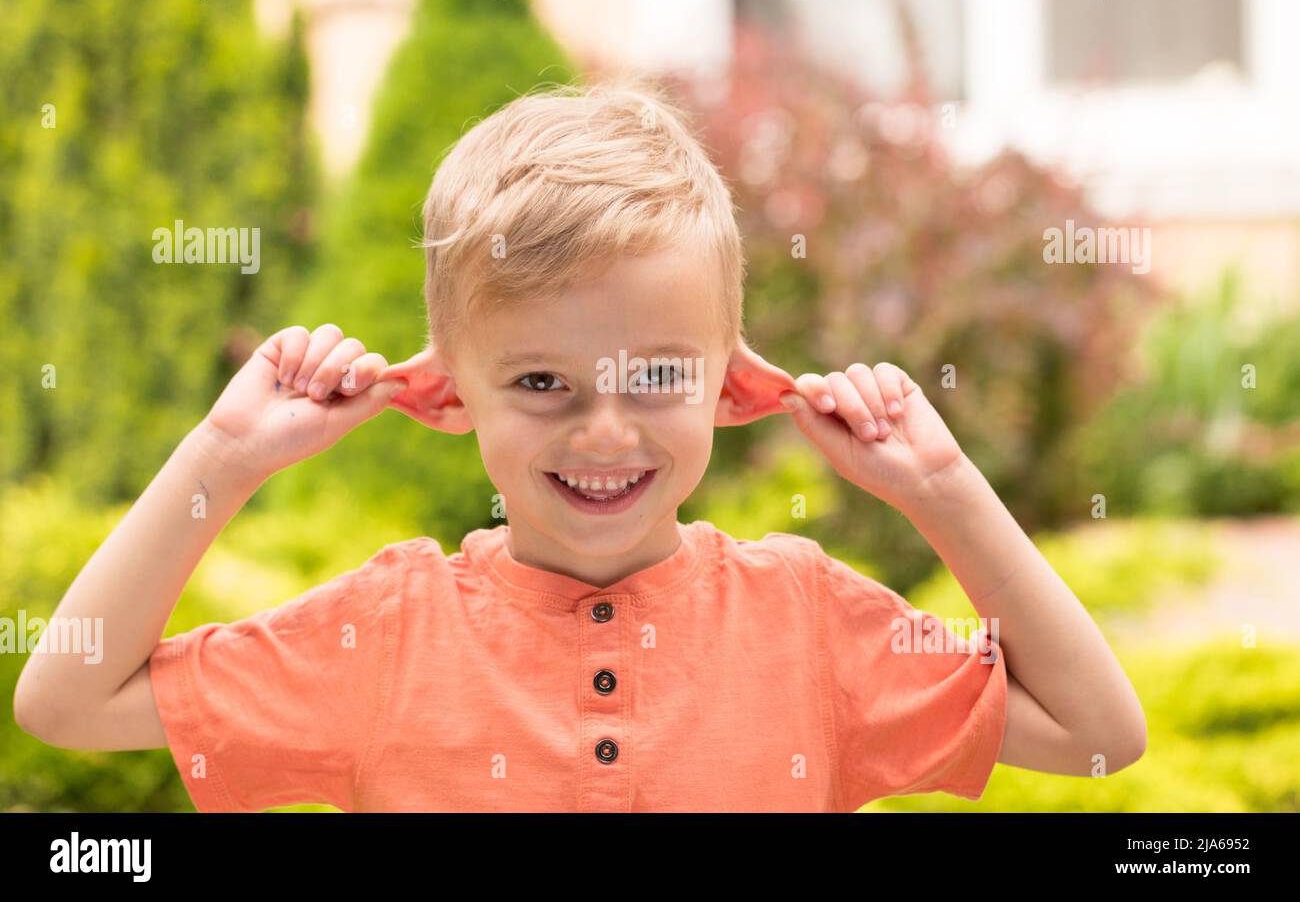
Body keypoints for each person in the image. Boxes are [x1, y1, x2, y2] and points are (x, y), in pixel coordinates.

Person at [14, 81, 1146, 812]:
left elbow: (1099, 734)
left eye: (658, 375)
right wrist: (223, 457)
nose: (605, 428)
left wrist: (942, 490)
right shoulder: (383, 633)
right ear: (449, 393)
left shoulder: (804, 621)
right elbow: (62, 700)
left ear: (731, 382)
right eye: (542, 382)